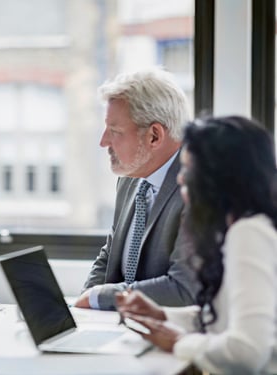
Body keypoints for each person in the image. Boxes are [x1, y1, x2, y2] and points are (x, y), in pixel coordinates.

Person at [116, 115, 277, 374]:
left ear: (219, 178)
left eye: (189, 170)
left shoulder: (249, 233)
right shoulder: (247, 227)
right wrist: (162, 316)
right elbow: (223, 320)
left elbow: (248, 351)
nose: (181, 179)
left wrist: (179, 342)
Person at [74, 67, 198, 310]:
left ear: (154, 136)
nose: (103, 141)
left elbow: (184, 289)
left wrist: (99, 298)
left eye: (115, 131)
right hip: (121, 328)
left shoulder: (197, 189)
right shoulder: (131, 177)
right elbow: (109, 256)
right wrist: (82, 309)